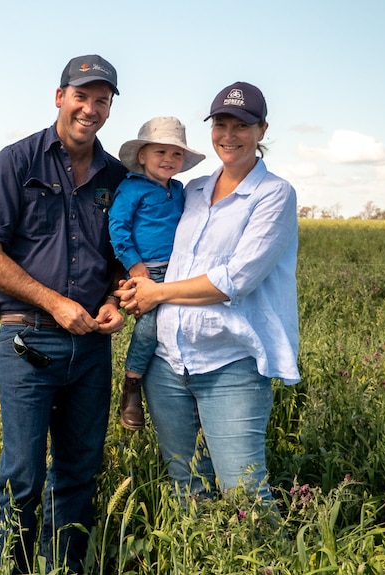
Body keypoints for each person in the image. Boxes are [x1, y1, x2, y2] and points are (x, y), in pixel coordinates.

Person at [0, 54, 128, 573]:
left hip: (91, 349)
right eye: (81, 95)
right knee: (22, 474)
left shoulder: (117, 176)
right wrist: (55, 303)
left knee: (80, 471)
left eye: (101, 100)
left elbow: (119, 258)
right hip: (29, 342)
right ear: (59, 96)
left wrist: (110, 300)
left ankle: (62, 567)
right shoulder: (16, 162)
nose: (91, 108)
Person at [115, 82, 300, 503]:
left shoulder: (274, 195)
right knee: (186, 487)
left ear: (262, 130)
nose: (229, 135)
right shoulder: (192, 190)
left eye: (242, 125)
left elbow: (236, 279)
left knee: (244, 493)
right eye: (221, 123)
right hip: (167, 363)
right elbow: (157, 247)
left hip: (231, 362)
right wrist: (131, 285)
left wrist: (155, 295)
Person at [109, 116, 205, 431]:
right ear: (142, 156)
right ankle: (132, 384)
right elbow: (118, 228)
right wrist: (135, 265)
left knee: (183, 323)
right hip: (148, 271)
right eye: (160, 152)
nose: (168, 160)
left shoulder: (179, 190)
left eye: (176, 154)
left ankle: (187, 388)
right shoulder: (132, 188)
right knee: (151, 325)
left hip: (180, 270)